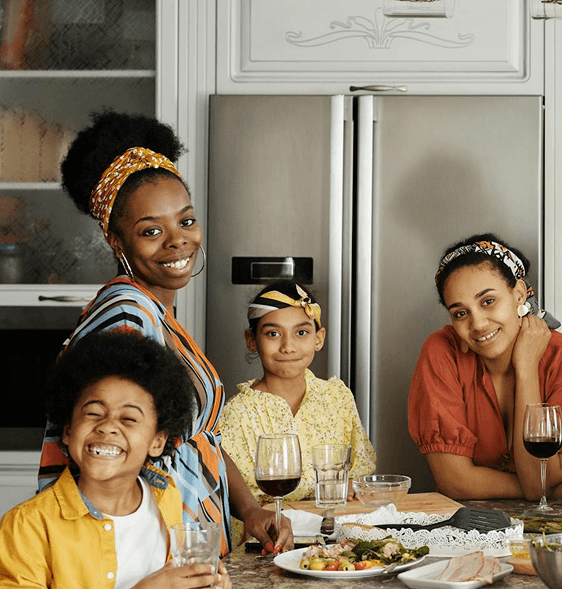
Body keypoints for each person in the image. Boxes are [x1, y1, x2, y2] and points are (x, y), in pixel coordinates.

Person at [37, 111, 292, 555]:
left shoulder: (157, 312)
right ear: (117, 242)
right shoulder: (126, 318)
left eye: (186, 221)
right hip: (149, 557)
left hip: (191, 548)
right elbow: (108, 454)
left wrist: (249, 509)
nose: (178, 241)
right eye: (151, 231)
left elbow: (196, 438)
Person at [1, 331, 231, 589]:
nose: (107, 427)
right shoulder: (27, 526)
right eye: (94, 413)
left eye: (128, 419)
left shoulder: (167, 496)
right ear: (68, 430)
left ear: (157, 441)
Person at [408, 234, 562, 500]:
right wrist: (548, 491)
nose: (478, 324)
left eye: (488, 301)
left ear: (518, 294)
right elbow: (455, 482)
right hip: (472, 528)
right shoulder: (441, 352)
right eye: (461, 313)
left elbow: (538, 477)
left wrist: (526, 368)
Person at [219, 281, 376, 540]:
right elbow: (237, 498)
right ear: (251, 340)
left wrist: (351, 486)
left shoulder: (337, 398)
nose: (288, 346)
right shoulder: (236, 413)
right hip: (266, 543)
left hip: (333, 537)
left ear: (319, 338)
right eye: (273, 334)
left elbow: (359, 474)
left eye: (301, 333)